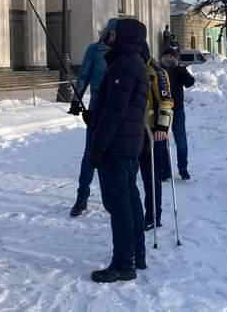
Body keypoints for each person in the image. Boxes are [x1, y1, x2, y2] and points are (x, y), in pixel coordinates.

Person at [87, 18, 148, 283]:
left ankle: (124, 264)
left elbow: (116, 111)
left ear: (122, 36)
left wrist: (98, 146)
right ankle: (137, 255)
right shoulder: (131, 62)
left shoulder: (124, 65)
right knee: (130, 200)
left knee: (119, 205)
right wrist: (94, 116)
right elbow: (114, 107)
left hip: (118, 146)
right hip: (127, 143)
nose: (106, 36)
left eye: (111, 32)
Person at [68, 18, 118, 217]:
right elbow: (84, 77)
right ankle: (82, 198)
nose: (115, 37)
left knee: (115, 156)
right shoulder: (94, 51)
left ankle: (113, 198)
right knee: (90, 153)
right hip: (97, 106)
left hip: (118, 108)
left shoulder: (124, 53)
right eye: (112, 33)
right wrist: (75, 100)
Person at [139, 44, 174, 230]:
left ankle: (153, 215)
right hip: (132, 130)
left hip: (152, 131)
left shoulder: (157, 72)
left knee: (151, 177)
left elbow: (167, 101)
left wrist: (162, 125)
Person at [160, 47, 195, 180]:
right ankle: (167, 170)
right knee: (165, 139)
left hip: (175, 109)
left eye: (172, 57)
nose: (169, 60)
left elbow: (190, 82)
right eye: (167, 57)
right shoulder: (160, 70)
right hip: (164, 109)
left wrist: (182, 70)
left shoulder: (178, 70)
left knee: (177, 139)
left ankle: (181, 169)